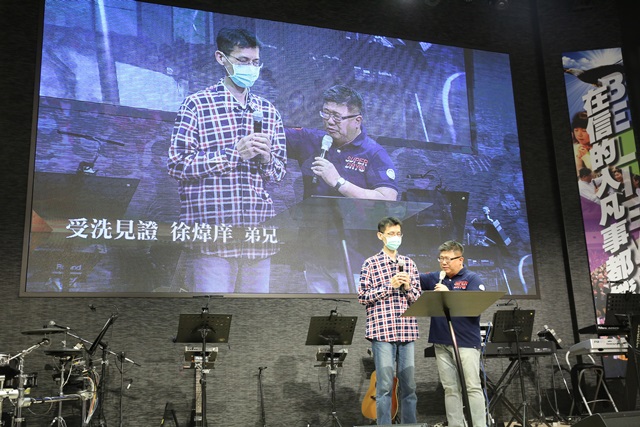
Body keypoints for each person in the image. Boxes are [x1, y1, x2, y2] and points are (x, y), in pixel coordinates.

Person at [167, 28, 286, 293]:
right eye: (243, 61)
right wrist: (233, 154)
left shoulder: (268, 111)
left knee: (254, 314)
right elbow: (177, 165)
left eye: (256, 62)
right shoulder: (197, 104)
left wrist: (267, 159)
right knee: (212, 312)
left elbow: (279, 173)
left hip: (257, 237)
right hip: (213, 236)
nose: (250, 68)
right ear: (221, 58)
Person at [285, 84, 398, 201]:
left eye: (337, 116)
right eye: (326, 113)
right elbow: (275, 134)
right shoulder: (311, 140)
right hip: (310, 212)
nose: (330, 121)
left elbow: (388, 199)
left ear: (357, 121)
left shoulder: (374, 153)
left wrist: (338, 182)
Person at [358, 217, 421, 425]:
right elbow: (363, 296)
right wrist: (389, 286)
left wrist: (408, 287)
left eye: (398, 234)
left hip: (407, 330)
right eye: (391, 234)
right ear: (380, 236)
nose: (395, 237)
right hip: (382, 331)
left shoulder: (409, 264)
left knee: (409, 386)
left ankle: (409, 424)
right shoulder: (371, 263)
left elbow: (418, 299)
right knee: (384, 386)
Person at [419, 240, 487, 427]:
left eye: (448, 259)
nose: (444, 262)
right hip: (441, 342)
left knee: (472, 387)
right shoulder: (437, 277)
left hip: (465, 343)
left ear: (460, 260)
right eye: (441, 258)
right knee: (450, 388)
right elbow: (414, 279)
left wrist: (448, 293)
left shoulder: (472, 279)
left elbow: (474, 308)